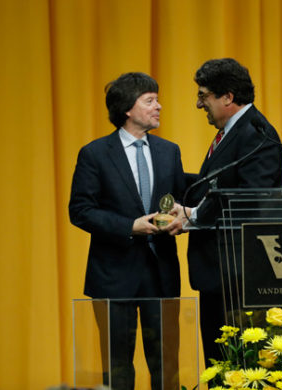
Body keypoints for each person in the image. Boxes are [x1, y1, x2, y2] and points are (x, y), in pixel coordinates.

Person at [69, 72, 186, 390]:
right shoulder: (94, 154)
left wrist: (181, 218)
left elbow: (179, 202)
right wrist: (128, 226)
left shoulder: (169, 151)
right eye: (150, 101)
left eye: (157, 99)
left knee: (167, 368)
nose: (159, 106)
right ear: (126, 109)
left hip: (160, 275)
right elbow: (80, 211)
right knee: (118, 370)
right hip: (113, 276)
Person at [167, 58, 282, 366]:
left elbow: (251, 205)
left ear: (227, 97)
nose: (198, 104)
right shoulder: (234, 133)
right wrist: (168, 180)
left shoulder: (256, 134)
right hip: (220, 277)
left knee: (243, 373)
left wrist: (192, 216)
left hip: (243, 280)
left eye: (203, 95)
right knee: (219, 371)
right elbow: (219, 188)